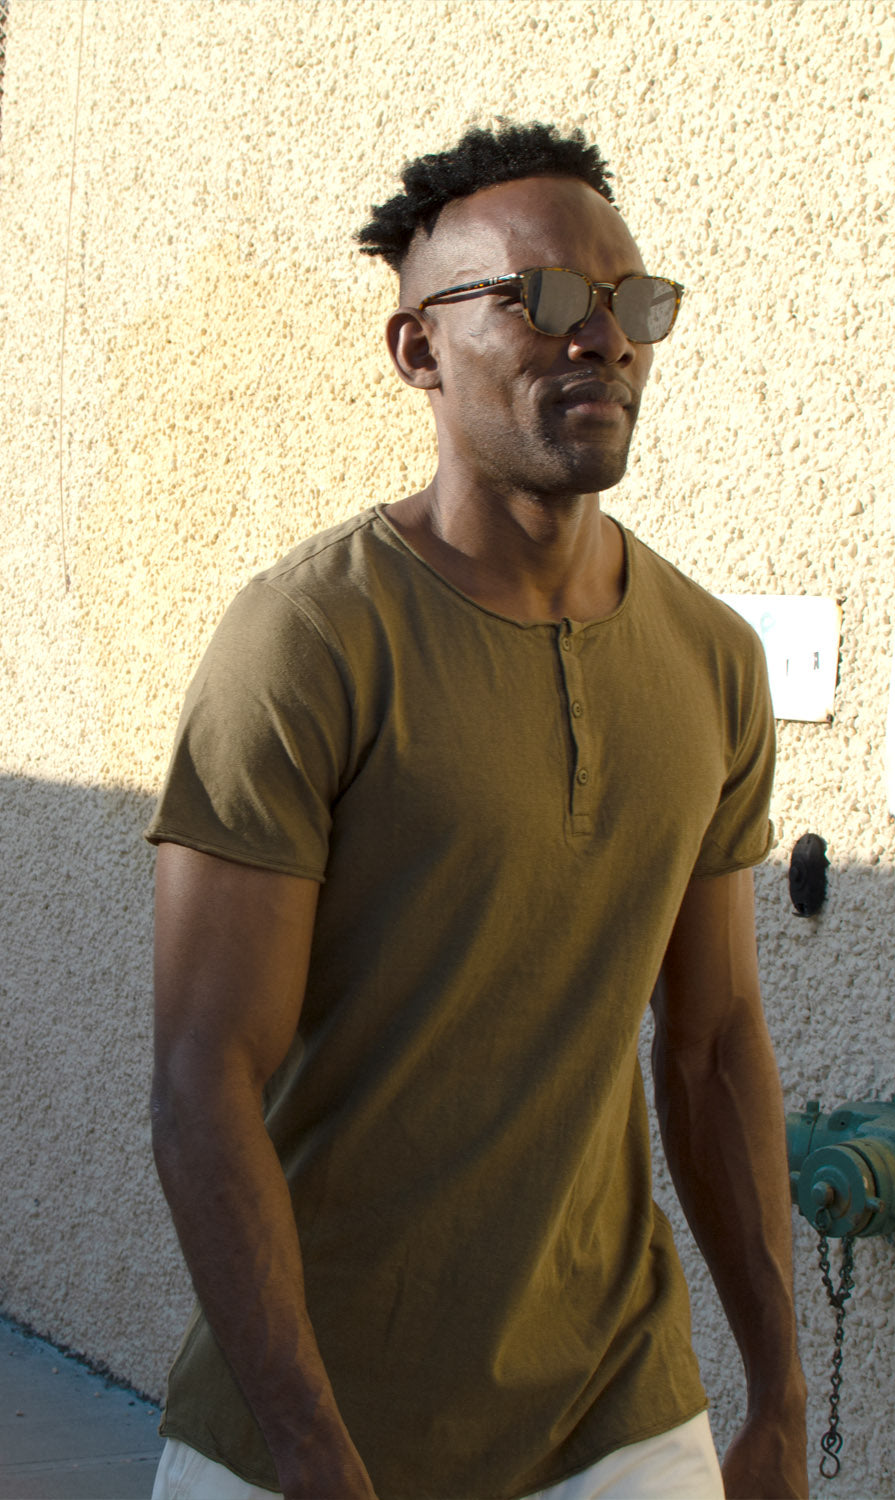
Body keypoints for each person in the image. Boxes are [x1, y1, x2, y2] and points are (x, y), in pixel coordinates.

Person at [147, 122, 807, 1500]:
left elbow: (713, 1043)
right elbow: (204, 1079)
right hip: (309, 1422)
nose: (603, 340)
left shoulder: (707, 657)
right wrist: (313, 1456)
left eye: (632, 304)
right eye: (543, 300)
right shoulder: (307, 641)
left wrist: (779, 1397)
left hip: (617, 1416)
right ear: (417, 351)